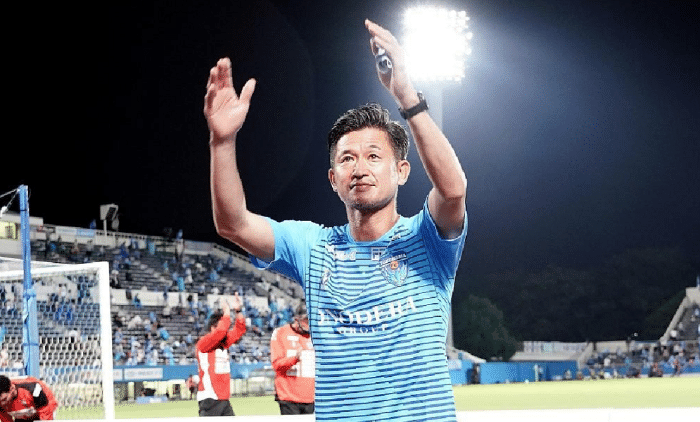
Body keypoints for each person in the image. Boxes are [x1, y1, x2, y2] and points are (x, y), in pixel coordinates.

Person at [205, 18, 467, 422]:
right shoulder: (313, 247)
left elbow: (453, 191)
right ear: (333, 179)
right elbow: (233, 224)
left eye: (374, 156)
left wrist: (406, 96)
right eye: (347, 158)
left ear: (401, 171)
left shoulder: (426, 239)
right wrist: (222, 142)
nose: (359, 168)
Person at [195, 295, 246, 416]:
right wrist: (226, 312)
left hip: (224, 398)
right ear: (212, 328)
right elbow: (221, 331)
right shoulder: (203, 343)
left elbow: (239, 330)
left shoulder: (223, 343)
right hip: (210, 398)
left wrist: (237, 311)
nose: (225, 332)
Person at [270, 304, 315, 415]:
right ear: (296, 319)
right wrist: (295, 358)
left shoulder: (316, 336)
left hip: (311, 398)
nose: (309, 324)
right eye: (306, 320)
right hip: (288, 398)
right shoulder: (280, 333)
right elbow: (276, 365)